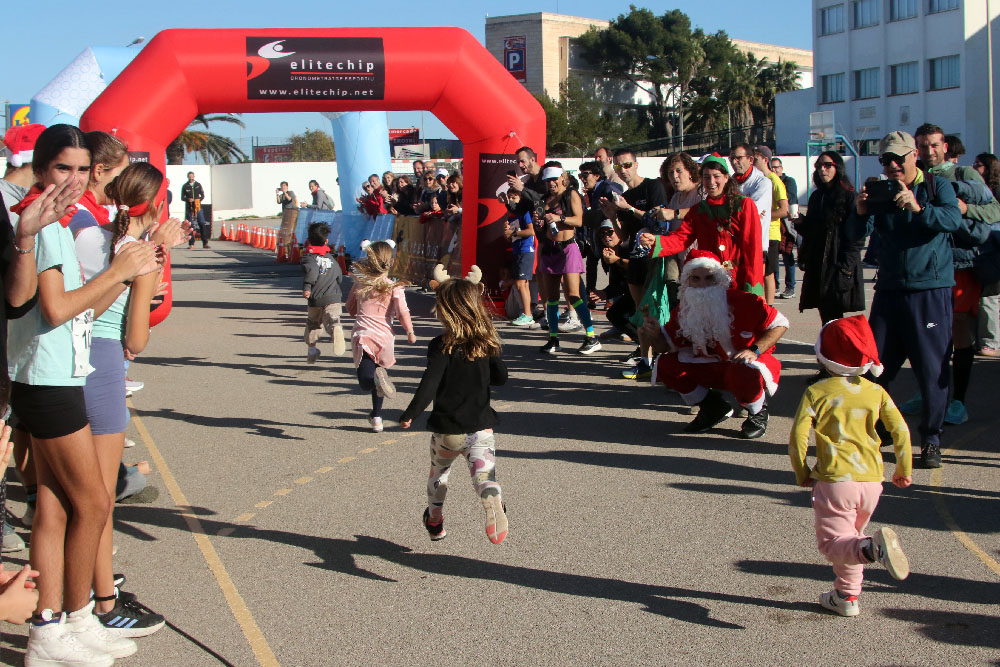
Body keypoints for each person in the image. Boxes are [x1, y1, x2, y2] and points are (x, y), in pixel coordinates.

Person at [8, 124, 158, 665]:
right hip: (46, 376)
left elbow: (37, 301)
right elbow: (52, 307)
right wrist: (123, 271)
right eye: (62, 169)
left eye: (80, 169)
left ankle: (57, 626)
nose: (74, 180)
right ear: (42, 169)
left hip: (56, 372)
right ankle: (71, 620)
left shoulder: (52, 220)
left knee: (53, 503)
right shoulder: (46, 221)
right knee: (92, 501)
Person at [80, 161, 178, 637]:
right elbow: (136, 339)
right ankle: (101, 602)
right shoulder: (142, 255)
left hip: (71, 359)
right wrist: (154, 286)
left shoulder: (99, 235)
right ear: (158, 204)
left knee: (76, 493)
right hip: (103, 366)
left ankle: (90, 591)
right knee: (99, 499)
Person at [845, 130, 964, 469]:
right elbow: (854, 237)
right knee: (873, 367)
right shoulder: (879, 188)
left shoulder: (936, 186)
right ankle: (877, 430)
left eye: (899, 158)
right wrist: (860, 211)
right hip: (890, 290)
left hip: (929, 290)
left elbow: (953, 220)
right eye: (886, 160)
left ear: (915, 155)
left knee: (930, 369)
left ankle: (931, 439)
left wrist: (918, 206)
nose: (893, 165)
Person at [789, 315, 912, 617]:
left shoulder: (816, 392)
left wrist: (802, 471)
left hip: (835, 479)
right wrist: (903, 468)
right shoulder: (876, 391)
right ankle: (846, 596)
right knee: (849, 538)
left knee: (833, 542)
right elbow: (901, 431)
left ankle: (872, 549)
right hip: (872, 480)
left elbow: (798, 437)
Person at [896, 124, 999, 426]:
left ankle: (958, 401)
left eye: (934, 145)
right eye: (923, 146)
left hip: (959, 265)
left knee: (957, 332)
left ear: (945, 147)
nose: (929, 151)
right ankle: (928, 393)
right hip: (926, 265)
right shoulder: (912, 176)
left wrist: (966, 208)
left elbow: (994, 211)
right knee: (926, 336)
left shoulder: (964, 175)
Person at [399, 270, 509, 545]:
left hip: (448, 432)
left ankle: (435, 520)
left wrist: (410, 413)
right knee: (485, 477)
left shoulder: (441, 345)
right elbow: (501, 379)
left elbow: (430, 384)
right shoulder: (487, 343)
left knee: (439, 474)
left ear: (445, 311)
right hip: (480, 429)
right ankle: (491, 496)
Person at [641, 252, 787, 438]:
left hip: (744, 365)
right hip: (712, 366)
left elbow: (780, 324)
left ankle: (757, 411)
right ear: (687, 282)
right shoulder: (685, 309)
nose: (702, 285)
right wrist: (654, 335)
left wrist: (754, 350)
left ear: (719, 279)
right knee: (665, 365)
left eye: (709, 278)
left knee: (742, 370)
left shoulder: (745, 300)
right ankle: (713, 408)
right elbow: (665, 347)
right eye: (696, 279)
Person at [638, 154, 764, 297]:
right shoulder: (699, 210)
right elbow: (682, 238)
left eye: (716, 176)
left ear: (726, 177)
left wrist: (753, 285)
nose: (711, 182)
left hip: (739, 278)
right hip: (709, 280)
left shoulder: (744, 205)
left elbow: (752, 248)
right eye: (706, 177)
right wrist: (656, 241)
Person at [345, 241, 416, 433]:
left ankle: (375, 394)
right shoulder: (394, 287)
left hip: (364, 336)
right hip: (385, 338)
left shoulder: (360, 284)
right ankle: (376, 417)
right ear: (390, 262)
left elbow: (350, 308)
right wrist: (410, 331)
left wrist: (359, 310)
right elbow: (403, 311)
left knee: (365, 380)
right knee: (380, 378)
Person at [535, 163, 599, 355]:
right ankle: (553, 338)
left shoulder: (571, 194)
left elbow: (579, 220)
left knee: (573, 294)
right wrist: (538, 222)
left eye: (554, 179)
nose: (551, 183)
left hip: (568, 247)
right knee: (551, 297)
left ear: (563, 177)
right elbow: (539, 229)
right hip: (549, 249)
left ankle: (591, 335)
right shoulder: (542, 200)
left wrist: (558, 219)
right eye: (548, 180)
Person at [795, 151, 865, 328]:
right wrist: (801, 221)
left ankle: (838, 350)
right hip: (819, 261)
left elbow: (856, 236)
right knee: (826, 312)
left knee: (836, 313)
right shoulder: (817, 196)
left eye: (827, 165)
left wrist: (846, 267)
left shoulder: (849, 195)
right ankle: (831, 349)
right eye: (819, 166)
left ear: (837, 167)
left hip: (838, 262)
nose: (822, 170)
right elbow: (812, 231)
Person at [599, 149, 668, 311]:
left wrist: (629, 208)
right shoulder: (625, 197)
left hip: (654, 255)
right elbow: (623, 235)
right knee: (641, 309)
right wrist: (613, 216)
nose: (623, 170)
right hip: (635, 257)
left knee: (656, 308)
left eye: (627, 165)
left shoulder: (652, 186)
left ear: (636, 165)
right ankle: (639, 336)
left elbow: (659, 223)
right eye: (618, 167)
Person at [301, 222, 345, 363]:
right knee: (332, 317)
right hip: (333, 295)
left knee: (313, 323)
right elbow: (339, 275)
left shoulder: (309, 257)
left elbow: (312, 272)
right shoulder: (330, 258)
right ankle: (335, 328)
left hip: (316, 297)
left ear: (308, 240)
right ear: (326, 241)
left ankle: (312, 349)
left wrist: (307, 287)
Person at [973, 152, 1000, 357]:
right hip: (983, 251)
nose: (975, 167)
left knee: (989, 298)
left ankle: (990, 341)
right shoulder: (977, 190)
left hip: (993, 251)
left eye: (979, 165)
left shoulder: (995, 193)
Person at [752, 146, 788, 304]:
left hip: (771, 234)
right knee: (758, 271)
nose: (753, 162)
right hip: (758, 233)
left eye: (756, 159)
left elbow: (784, 210)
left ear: (765, 160)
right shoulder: (755, 181)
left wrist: (764, 217)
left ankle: (770, 306)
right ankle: (761, 303)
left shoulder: (774, 181)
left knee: (768, 272)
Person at [729, 144, 772, 271]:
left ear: (751, 160)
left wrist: (733, 212)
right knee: (730, 283)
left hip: (755, 246)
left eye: (738, 158)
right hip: (733, 246)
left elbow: (751, 213)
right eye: (731, 158)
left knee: (753, 286)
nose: (734, 162)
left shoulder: (762, 183)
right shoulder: (730, 182)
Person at [500, 189, 536, 327]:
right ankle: (527, 313)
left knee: (521, 283)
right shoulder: (511, 215)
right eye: (509, 197)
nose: (511, 200)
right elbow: (509, 238)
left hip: (526, 250)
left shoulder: (524, 212)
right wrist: (507, 232)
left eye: (514, 197)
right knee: (522, 284)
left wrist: (514, 232)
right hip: (517, 250)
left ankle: (527, 314)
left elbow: (531, 231)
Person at [770, 156, 799, 300]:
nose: (774, 170)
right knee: (774, 257)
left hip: (786, 223)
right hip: (774, 224)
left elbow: (791, 200)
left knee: (788, 256)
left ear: (782, 168)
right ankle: (775, 286)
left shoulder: (789, 181)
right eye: (772, 167)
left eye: (777, 167)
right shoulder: (768, 181)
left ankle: (790, 287)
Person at [184, 171, 210, 249]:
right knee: (190, 225)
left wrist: (198, 200)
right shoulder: (185, 186)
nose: (191, 179)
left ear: (194, 177)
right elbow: (182, 197)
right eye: (189, 177)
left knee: (202, 223)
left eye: (192, 177)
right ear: (188, 177)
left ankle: (205, 243)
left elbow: (202, 195)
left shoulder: (198, 185)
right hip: (189, 208)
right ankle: (191, 244)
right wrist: (188, 199)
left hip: (198, 208)